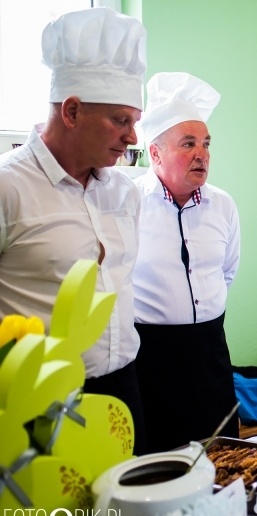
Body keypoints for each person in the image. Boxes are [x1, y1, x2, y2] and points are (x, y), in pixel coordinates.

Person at [0, 8, 147, 454]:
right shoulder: (9, 187)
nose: (133, 136)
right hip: (37, 398)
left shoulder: (123, 192)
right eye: (121, 120)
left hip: (123, 389)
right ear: (72, 110)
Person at [132, 72, 241, 452]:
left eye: (207, 144)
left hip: (210, 353)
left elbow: (226, 271)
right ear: (155, 152)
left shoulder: (222, 204)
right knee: (157, 465)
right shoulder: (127, 202)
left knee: (222, 457)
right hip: (150, 360)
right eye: (189, 143)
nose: (202, 154)